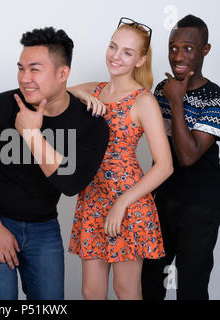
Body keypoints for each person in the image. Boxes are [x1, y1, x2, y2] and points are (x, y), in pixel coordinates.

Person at [0, 27, 109, 300]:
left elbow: (71, 183)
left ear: (63, 74)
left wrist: (31, 134)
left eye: (35, 70)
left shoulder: (91, 123)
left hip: (44, 229)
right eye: (21, 69)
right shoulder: (0, 106)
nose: (25, 78)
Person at [67, 17, 173, 300]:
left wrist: (122, 203)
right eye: (113, 47)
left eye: (127, 52)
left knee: (125, 290)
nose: (116, 56)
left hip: (128, 201)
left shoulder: (143, 101)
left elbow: (165, 166)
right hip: (92, 198)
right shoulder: (95, 89)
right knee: (91, 291)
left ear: (140, 60)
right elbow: (57, 93)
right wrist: (78, 92)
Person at [141, 15, 220, 300]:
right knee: (151, 278)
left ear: (205, 49)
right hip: (165, 196)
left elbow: (189, 156)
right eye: (173, 47)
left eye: (188, 48)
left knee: (190, 283)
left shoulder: (217, 99)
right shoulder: (161, 91)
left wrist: (177, 101)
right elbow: (160, 150)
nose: (178, 55)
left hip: (201, 201)